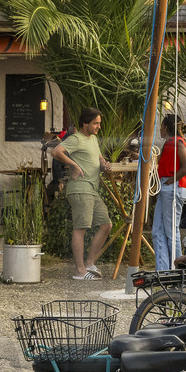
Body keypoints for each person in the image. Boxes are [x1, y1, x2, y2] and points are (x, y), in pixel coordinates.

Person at [50, 107, 112, 280]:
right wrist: (73, 165)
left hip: (92, 189)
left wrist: (104, 164)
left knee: (106, 225)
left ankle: (90, 263)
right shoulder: (76, 139)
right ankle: (80, 270)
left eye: (99, 123)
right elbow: (56, 152)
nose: (99, 126)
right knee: (81, 229)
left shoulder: (93, 139)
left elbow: (99, 158)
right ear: (85, 124)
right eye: (95, 123)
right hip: (80, 189)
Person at [153, 113, 186, 271]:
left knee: (171, 231)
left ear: (167, 127)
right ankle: (163, 270)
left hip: (172, 187)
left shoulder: (177, 142)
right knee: (158, 230)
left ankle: (177, 268)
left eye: (161, 126)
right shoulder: (171, 142)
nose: (160, 129)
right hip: (168, 186)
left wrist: (169, 181)